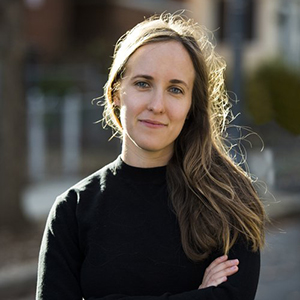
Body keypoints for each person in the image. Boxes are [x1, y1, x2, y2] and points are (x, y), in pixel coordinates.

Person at [36, 13, 266, 300]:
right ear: (116, 92)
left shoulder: (229, 201)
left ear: (191, 105)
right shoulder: (72, 211)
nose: (157, 105)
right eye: (143, 83)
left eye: (175, 89)